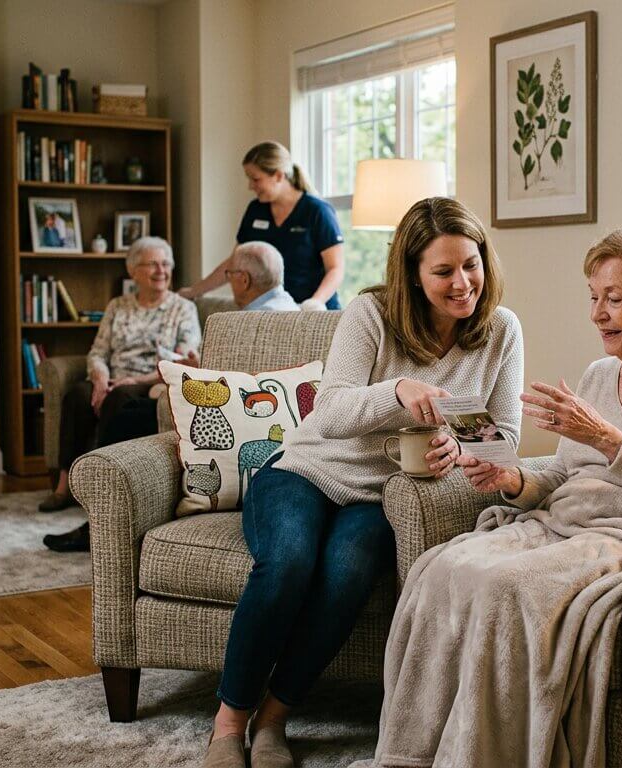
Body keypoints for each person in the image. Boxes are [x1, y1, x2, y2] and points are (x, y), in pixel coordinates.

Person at [360, 224, 622, 768]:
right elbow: (565, 477)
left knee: (502, 585)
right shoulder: (598, 374)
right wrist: (514, 481)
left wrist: (608, 438)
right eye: (594, 297)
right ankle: (412, 754)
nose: (597, 314)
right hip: (558, 523)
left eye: (615, 299)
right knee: (440, 567)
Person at [201, 197, 524, 768]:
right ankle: (229, 725)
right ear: (412, 273)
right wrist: (396, 391)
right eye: (443, 271)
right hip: (305, 470)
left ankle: (274, 718)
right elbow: (327, 413)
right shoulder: (370, 314)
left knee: (346, 572)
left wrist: (465, 444)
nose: (462, 283)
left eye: (470, 264)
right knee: (288, 562)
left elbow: (505, 437)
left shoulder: (500, 331)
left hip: (382, 493)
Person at [40, 237, 201, 552]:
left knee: (119, 399)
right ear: (133, 270)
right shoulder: (118, 305)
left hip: (149, 379)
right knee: (76, 396)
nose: (161, 270)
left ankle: (101, 487)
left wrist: (130, 380)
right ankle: (63, 487)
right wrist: (100, 378)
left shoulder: (183, 309)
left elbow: (181, 362)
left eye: (166, 264)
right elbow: (98, 351)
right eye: (152, 264)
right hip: (113, 378)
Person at [179, 141, 344, 310]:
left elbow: (335, 268)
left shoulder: (317, 211)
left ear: (279, 175)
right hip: (272, 312)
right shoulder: (256, 210)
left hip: (312, 312)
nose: (250, 186)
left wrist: (315, 302)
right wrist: (194, 291)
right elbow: (235, 263)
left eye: (256, 179)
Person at [226, 242, 299, 311]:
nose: (230, 281)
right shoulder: (290, 305)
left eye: (230, 274)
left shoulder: (255, 318)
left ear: (245, 280)